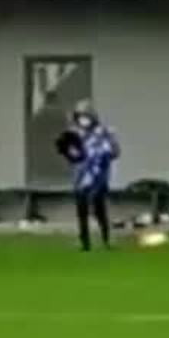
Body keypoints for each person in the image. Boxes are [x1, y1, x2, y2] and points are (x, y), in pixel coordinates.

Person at [60, 100, 120, 251]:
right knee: (81, 210)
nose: (83, 119)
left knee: (99, 207)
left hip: (98, 177)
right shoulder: (74, 134)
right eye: (80, 116)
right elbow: (70, 153)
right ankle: (84, 242)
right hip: (80, 178)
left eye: (85, 116)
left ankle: (106, 238)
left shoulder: (103, 132)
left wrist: (110, 143)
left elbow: (114, 152)